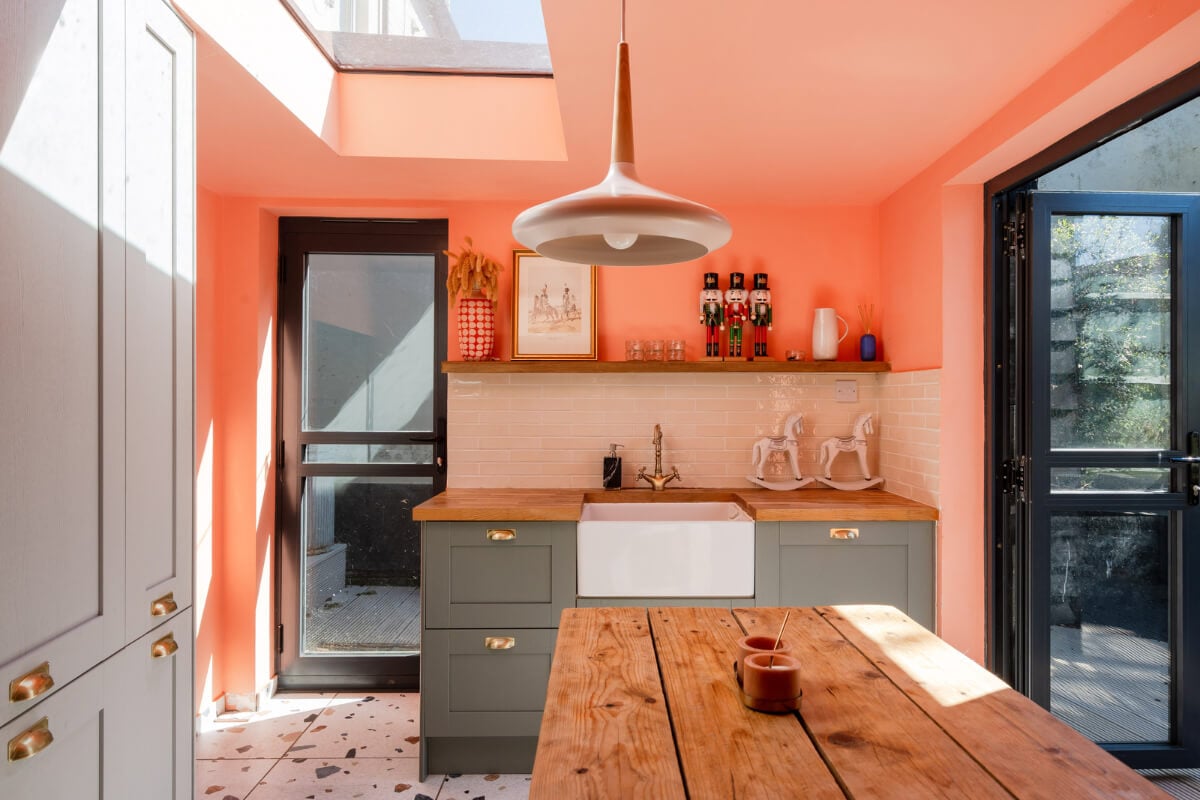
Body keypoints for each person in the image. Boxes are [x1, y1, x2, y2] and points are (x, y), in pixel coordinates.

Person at [699, 272, 724, 357]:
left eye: (713, 292)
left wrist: (721, 322)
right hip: (709, 320)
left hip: (716, 320)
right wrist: (701, 316)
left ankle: (716, 352)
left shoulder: (719, 305)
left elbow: (721, 312)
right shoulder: (705, 304)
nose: (711, 294)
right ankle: (709, 352)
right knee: (708, 335)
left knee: (716, 335)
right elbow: (702, 310)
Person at [724, 272, 749, 358]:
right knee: (731, 338)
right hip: (731, 322)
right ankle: (731, 353)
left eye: (739, 292)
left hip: (739, 323)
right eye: (734, 292)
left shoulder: (743, 305)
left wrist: (744, 316)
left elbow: (746, 317)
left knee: (739, 338)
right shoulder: (729, 305)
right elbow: (726, 314)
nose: (736, 294)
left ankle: (738, 353)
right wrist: (726, 317)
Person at [749, 272, 773, 358]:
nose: (762, 295)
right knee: (757, 335)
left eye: (764, 292)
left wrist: (770, 323)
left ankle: (763, 351)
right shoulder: (754, 305)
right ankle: (757, 352)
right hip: (757, 321)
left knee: (764, 336)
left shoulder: (768, 305)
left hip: (764, 321)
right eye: (759, 292)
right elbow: (750, 312)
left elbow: (770, 314)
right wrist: (752, 316)